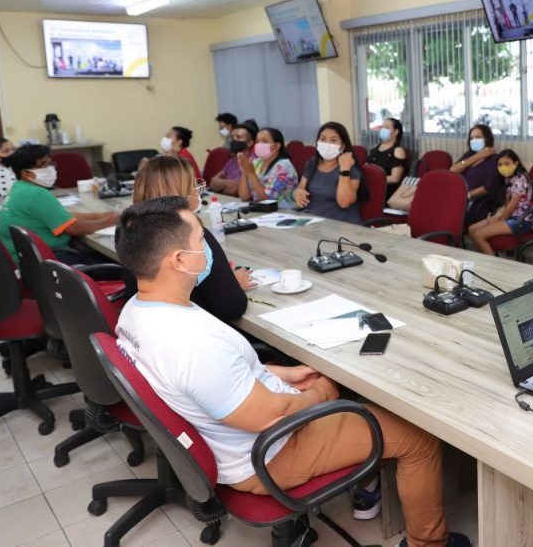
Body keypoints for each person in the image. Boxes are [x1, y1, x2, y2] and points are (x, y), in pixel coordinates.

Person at [114, 197, 471, 547]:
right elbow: (266, 418)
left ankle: (367, 486)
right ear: (179, 260)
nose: (208, 246)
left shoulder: (136, 311)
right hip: (270, 453)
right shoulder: (192, 342)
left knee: (349, 388)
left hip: (243, 430)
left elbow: (209, 381)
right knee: (418, 438)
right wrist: (319, 395)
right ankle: (429, 543)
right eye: (200, 238)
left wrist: (283, 374)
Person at [125, 154, 254, 322]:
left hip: (147, 325)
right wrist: (234, 284)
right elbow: (232, 307)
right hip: (192, 329)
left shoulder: (131, 230)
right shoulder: (193, 237)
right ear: (180, 193)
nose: (198, 189)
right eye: (193, 184)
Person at [0, 144, 117, 265]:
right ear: (26, 173)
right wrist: (110, 221)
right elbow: (74, 228)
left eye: (50, 163)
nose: (50, 168)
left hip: (29, 260)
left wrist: (102, 215)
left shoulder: (20, 188)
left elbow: (63, 216)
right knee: (117, 265)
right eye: (43, 165)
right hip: (47, 262)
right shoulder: (36, 194)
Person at [468, 149, 533, 255]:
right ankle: (485, 258)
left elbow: (511, 207)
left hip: (520, 221)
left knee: (478, 235)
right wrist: (495, 217)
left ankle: (493, 264)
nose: (503, 167)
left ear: (516, 163)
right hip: (510, 217)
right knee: (472, 229)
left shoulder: (520, 180)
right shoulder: (509, 179)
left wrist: (499, 221)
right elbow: (506, 204)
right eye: (500, 164)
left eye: (507, 164)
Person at [293, 122, 362, 224]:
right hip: (313, 221)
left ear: (342, 146)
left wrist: (344, 170)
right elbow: (300, 188)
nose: (327, 144)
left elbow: (344, 203)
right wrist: (297, 193)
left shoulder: (350, 168)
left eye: (333, 140)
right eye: (323, 139)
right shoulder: (312, 162)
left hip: (341, 224)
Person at [450, 124, 500, 226]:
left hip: (475, 202)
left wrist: (466, 196)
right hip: (459, 196)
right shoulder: (469, 155)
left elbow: (488, 187)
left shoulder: (494, 159)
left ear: (487, 139)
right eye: (472, 138)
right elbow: (452, 171)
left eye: (478, 137)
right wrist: (478, 155)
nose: (474, 140)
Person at [237, 127, 298, 208]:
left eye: (264, 141)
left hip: (282, 211)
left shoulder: (284, 166)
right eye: (257, 141)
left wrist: (251, 173)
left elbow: (267, 200)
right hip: (260, 209)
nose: (259, 144)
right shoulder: (256, 162)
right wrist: (244, 171)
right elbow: (244, 197)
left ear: (276, 146)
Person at [210, 123, 256, 196]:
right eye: (232, 137)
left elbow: (238, 190)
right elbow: (213, 182)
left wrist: (223, 185)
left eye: (238, 137)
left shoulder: (255, 161)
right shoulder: (232, 161)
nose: (234, 140)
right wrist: (230, 183)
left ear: (250, 143)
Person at [367, 117, 407, 200]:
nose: (383, 129)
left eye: (387, 127)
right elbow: (367, 167)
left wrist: (373, 179)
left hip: (386, 191)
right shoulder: (375, 148)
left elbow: (395, 178)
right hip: (370, 187)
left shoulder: (398, 151)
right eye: (382, 127)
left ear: (396, 132)